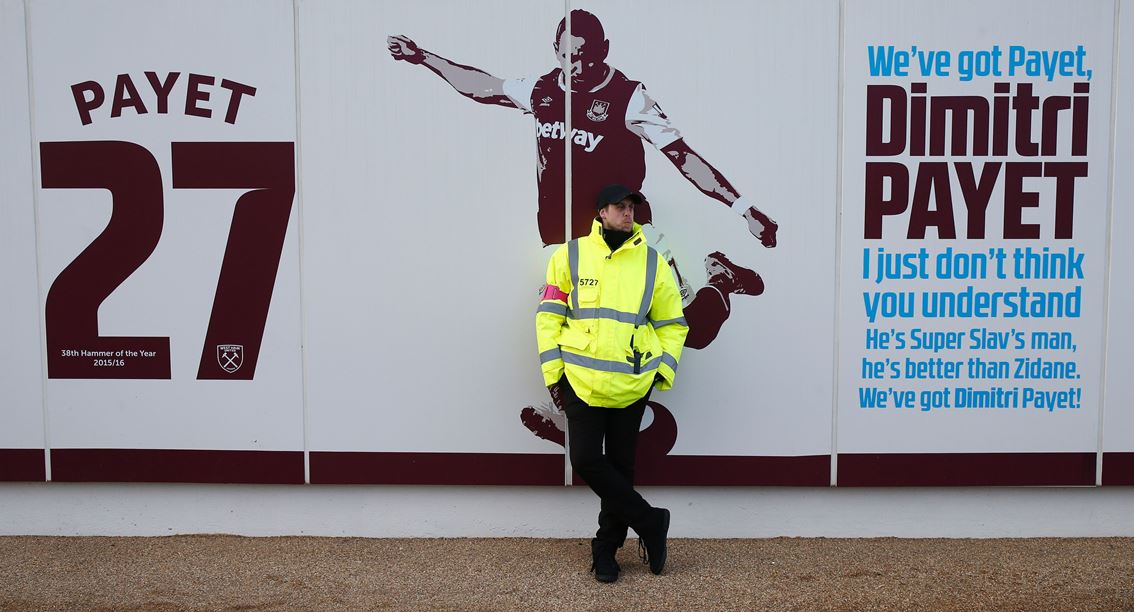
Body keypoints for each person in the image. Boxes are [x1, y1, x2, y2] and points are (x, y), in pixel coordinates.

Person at [388, 9, 773, 353]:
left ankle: (720, 279)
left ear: (604, 49)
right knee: (569, 335)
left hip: (627, 236)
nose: (574, 65)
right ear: (555, 51)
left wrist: (743, 208)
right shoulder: (542, 90)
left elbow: (683, 157)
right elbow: (483, 86)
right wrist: (423, 58)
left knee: (692, 334)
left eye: (584, 56)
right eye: (566, 55)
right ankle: (578, 421)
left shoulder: (629, 98)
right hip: (568, 241)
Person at [536, 184, 690, 582]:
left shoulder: (653, 262)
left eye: (631, 207)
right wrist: (556, 376)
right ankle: (651, 521)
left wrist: (661, 371)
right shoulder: (568, 255)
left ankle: (606, 551)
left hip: (632, 383)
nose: (627, 213)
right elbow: (548, 318)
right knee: (586, 460)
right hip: (581, 382)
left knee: (621, 469)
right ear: (601, 212)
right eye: (619, 207)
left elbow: (673, 324)